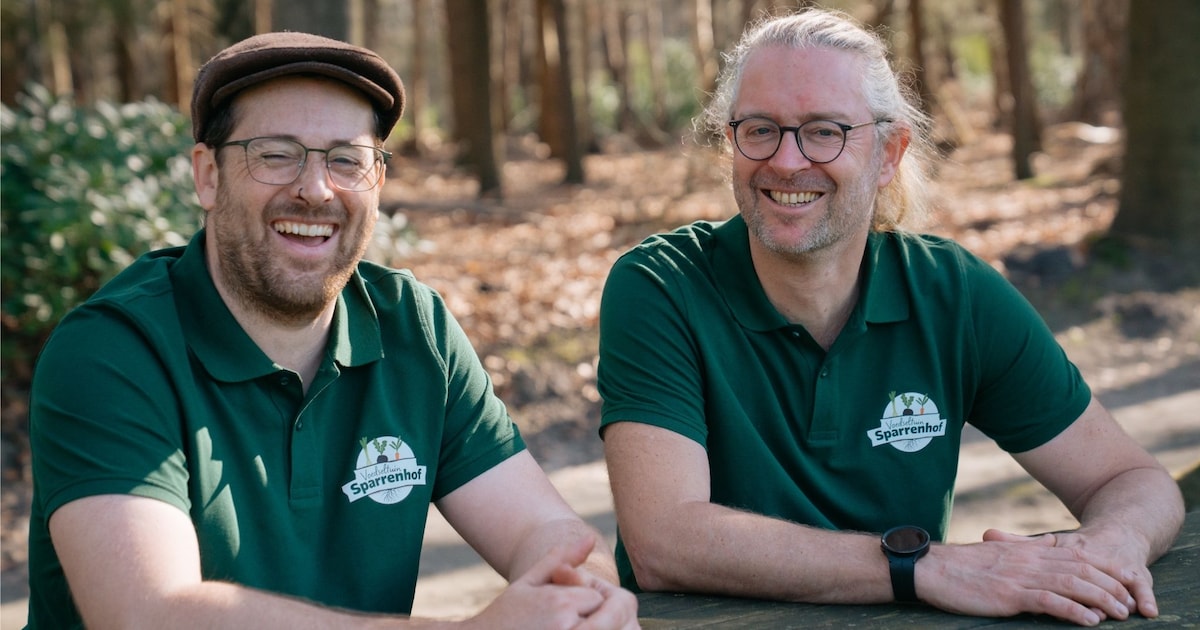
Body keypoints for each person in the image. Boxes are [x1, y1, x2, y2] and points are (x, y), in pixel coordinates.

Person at [26, 32, 637, 629]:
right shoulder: (111, 352)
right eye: (275, 153)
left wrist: (581, 598)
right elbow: (145, 612)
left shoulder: (412, 329)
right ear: (207, 175)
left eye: (348, 159)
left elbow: (542, 531)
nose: (316, 189)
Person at [597, 8, 1183, 628]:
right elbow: (663, 540)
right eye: (760, 129)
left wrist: (1110, 548)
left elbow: (1130, 478)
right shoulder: (660, 286)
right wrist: (923, 568)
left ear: (888, 153)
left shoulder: (953, 293)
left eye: (824, 131)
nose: (788, 160)